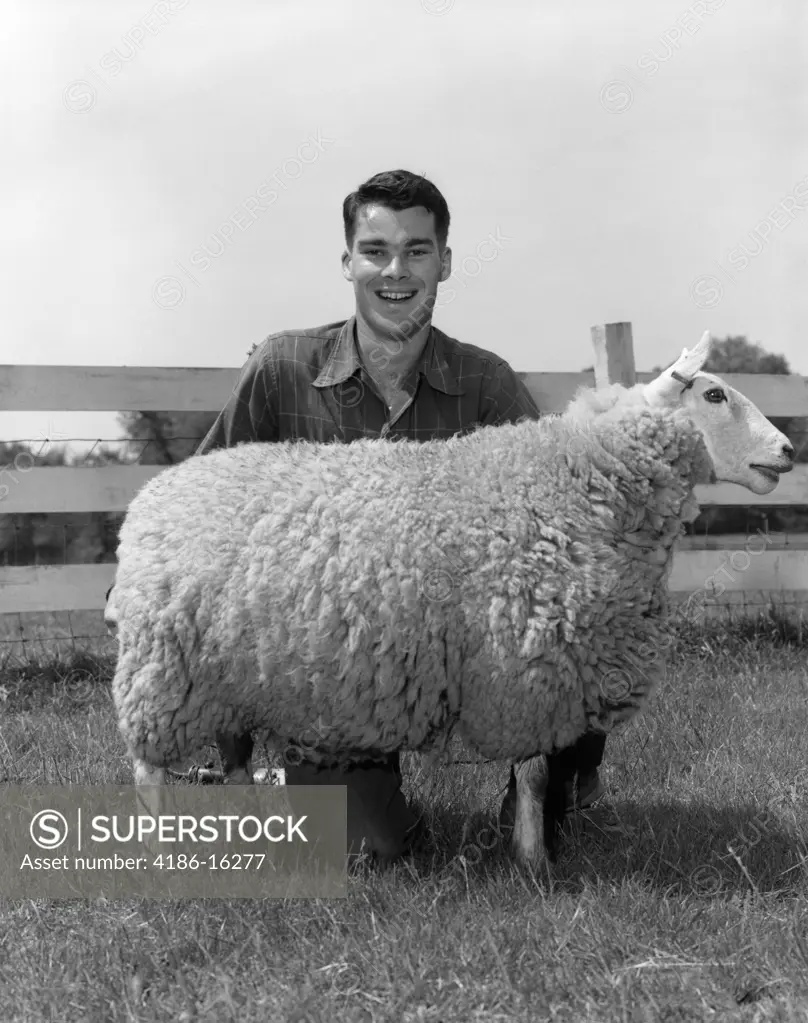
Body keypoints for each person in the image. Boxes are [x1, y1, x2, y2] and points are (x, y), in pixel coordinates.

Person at [195, 168, 604, 862]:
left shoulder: (487, 386)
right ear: (347, 260)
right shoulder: (281, 369)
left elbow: (555, 532)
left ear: (445, 261)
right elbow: (208, 496)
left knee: (584, 623)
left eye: (417, 250)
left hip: (463, 655)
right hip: (336, 673)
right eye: (376, 249)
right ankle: (329, 789)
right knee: (365, 852)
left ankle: (551, 780)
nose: (396, 270)